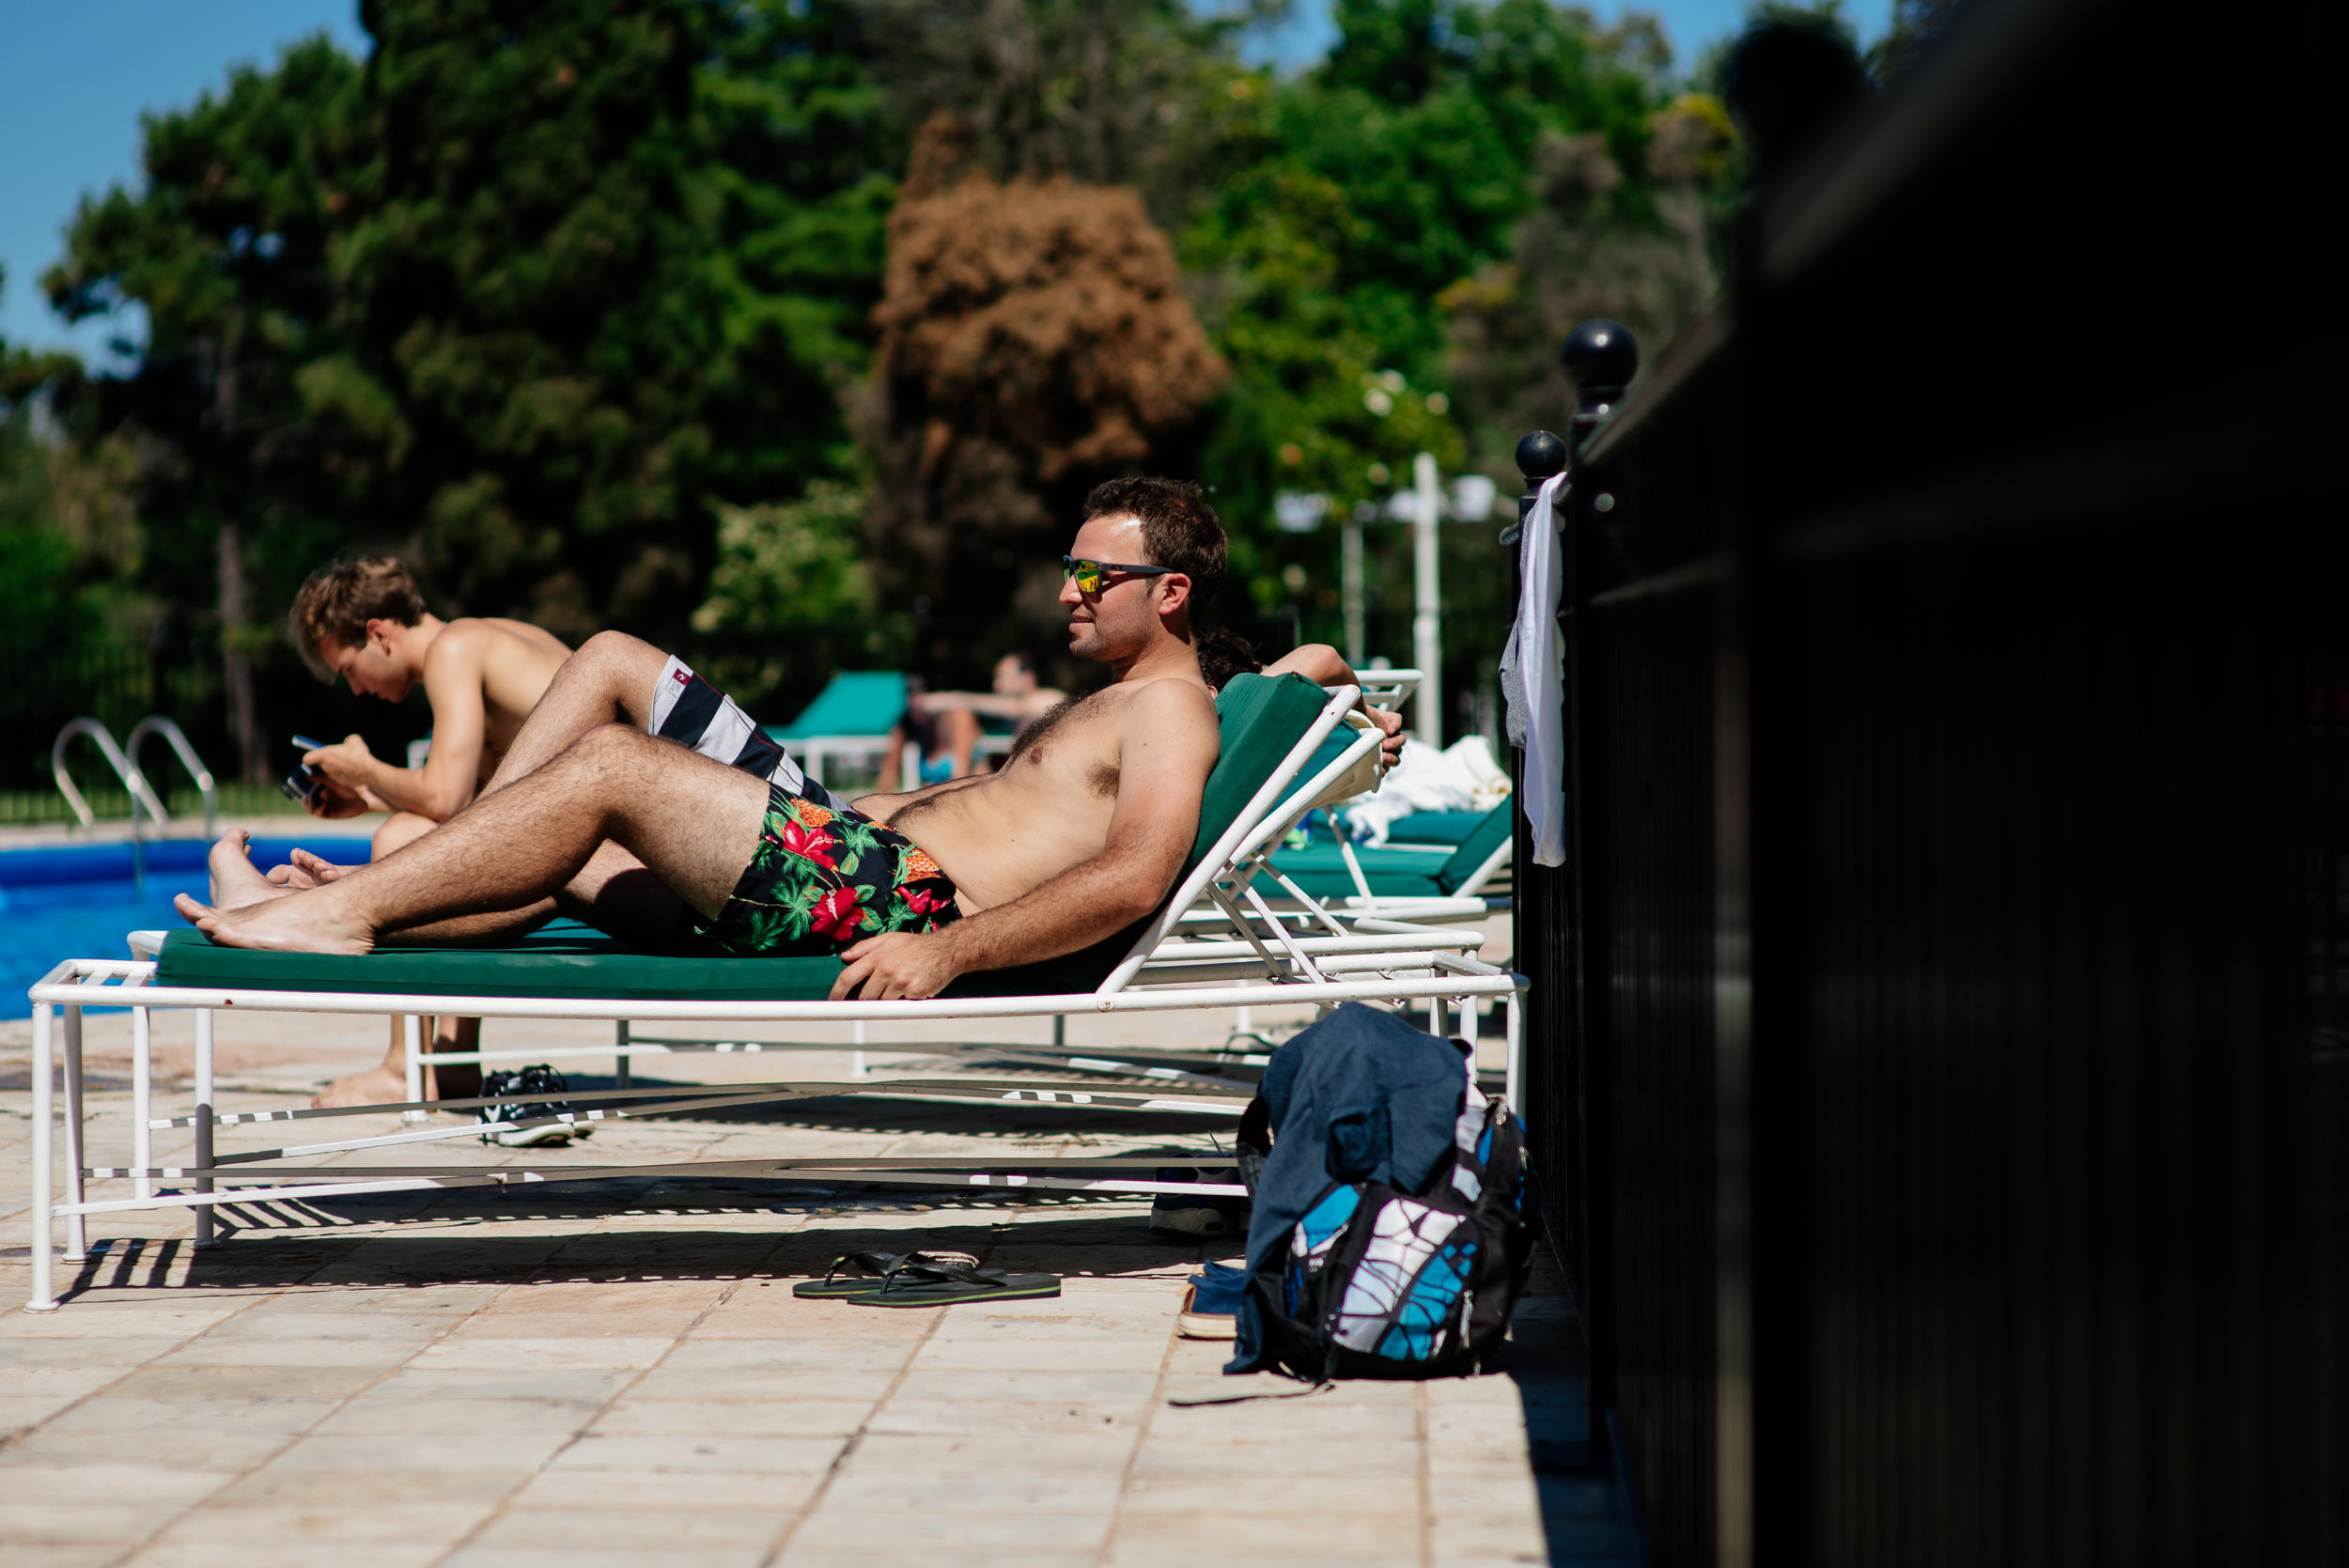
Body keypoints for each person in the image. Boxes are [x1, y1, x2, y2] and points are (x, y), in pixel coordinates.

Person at [180, 480, 1400, 1006]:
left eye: (1098, 573)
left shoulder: (1167, 707)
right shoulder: (1151, 696)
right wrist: (1323, 674)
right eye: (1068, 568)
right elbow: (1286, 679)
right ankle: (348, 901)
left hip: (886, 897)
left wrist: (951, 954)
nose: (1070, 591)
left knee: (606, 769)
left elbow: (1137, 876)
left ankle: (341, 911)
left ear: (1172, 592)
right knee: (566, 854)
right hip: (839, 865)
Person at [275, 556, 569, 1110]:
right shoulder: (498, 637)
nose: (356, 689)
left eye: (348, 670)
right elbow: (485, 803)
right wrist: (368, 796)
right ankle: (451, 1065)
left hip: (606, 851)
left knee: (399, 841)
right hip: (598, 839)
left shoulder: (454, 649)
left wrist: (365, 771)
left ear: (378, 634)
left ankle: (405, 1067)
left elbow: (446, 800)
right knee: (416, 832)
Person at [885, 652, 1068, 784]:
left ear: (1027, 679)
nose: (996, 685)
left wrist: (945, 699)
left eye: (1002, 678)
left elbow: (1013, 707)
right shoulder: (1019, 716)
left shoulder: (1050, 700)